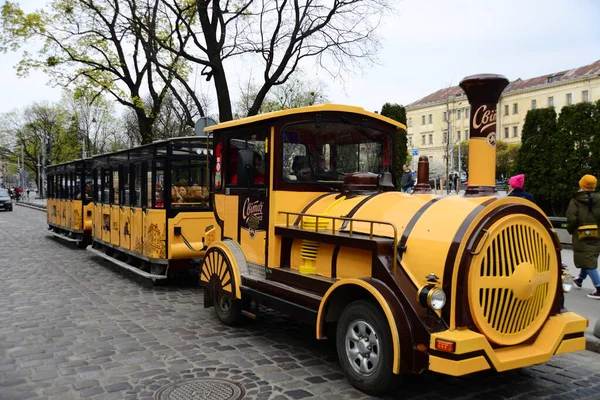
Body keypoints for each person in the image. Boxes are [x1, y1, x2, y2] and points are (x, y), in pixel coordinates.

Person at [566, 174, 600, 299]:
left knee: (587, 258)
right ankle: (580, 279)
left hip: (581, 233)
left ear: (581, 185)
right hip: (597, 233)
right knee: (589, 255)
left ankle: (599, 287)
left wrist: (571, 230)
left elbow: (571, 218)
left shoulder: (576, 200)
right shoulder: (599, 199)